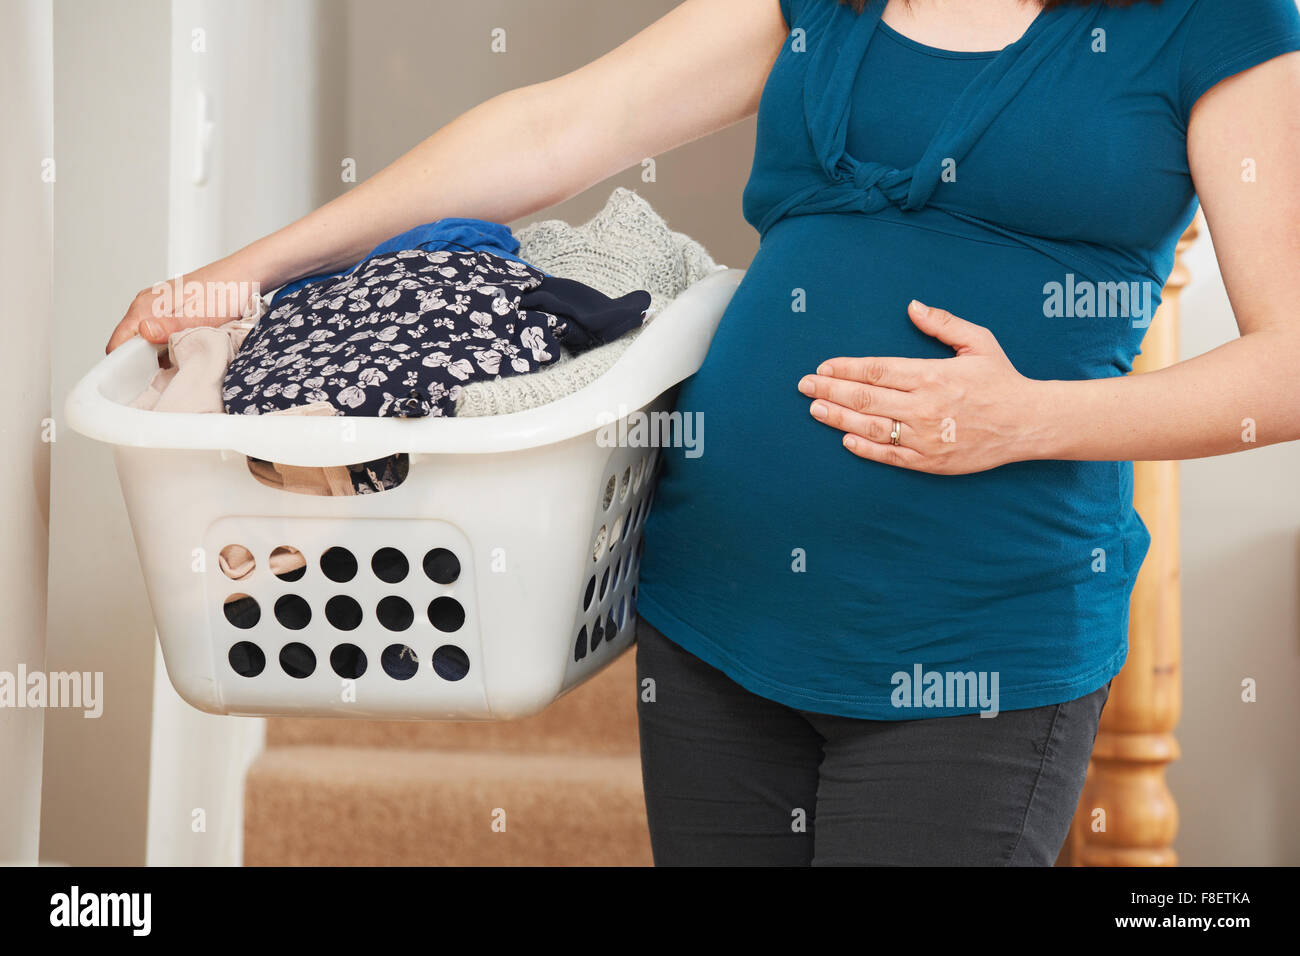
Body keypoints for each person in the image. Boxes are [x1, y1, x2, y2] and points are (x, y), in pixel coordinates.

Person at [108, 0, 1300, 866]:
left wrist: (1032, 414)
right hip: (715, 623)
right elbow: (557, 125)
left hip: (976, 644)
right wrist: (240, 273)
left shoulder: (1213, 24)